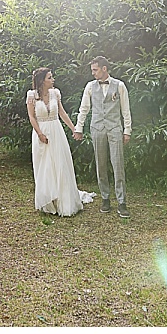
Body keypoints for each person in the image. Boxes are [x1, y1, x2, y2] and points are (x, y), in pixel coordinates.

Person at [27, 67, 95, 216]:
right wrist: (39, 133)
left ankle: (63, 200)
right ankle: (48, 200)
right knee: (44, 166)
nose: (53, 80)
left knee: (60, 164)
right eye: (50, 77)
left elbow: (62, 113)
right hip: (41, 132)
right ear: (42, 81)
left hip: (56, 131)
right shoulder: (32, 96)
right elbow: (32, 116)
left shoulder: (55, 94)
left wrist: (74, 128)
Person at [73, 56, 133, 219]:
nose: (93, 73)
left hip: (114, 128)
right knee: (100, 165)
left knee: (118, 164)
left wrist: (127, 130)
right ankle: (105, 198)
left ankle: (122, 202)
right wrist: (79, 127)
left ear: (104, 69)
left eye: (95, 70)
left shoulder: (119, 85)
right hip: (97, 128)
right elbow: (84, 108)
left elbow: (125, 110)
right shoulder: (90, 87)